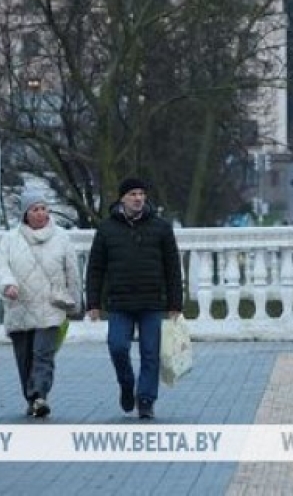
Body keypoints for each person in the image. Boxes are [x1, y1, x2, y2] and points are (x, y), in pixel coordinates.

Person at [86, 177, 184, 421]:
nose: (138, 198)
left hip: (153, 301)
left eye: (141, 193)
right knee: (118, 347)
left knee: (151, 354)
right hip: (120, 302)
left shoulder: (161, 227)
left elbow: (173, 267)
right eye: (133, 194)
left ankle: (146, 400)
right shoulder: (107, 229)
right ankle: (127, 384)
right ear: (122, 199)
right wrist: (93, 303)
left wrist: (175, 304)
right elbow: (95, 268)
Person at [0, 187, 81, 419]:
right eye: (35, 209)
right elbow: (0, 266)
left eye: (44, 209)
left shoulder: (62, 238)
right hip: (20, 306)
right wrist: (8, 284)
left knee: (43, 354)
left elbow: (72, 271)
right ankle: (31, 398)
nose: (41, 213)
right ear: (26, 214)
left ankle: (40, 395)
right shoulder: (9, 240)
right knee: (25, 358)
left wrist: (75, 301)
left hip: (51, 306)